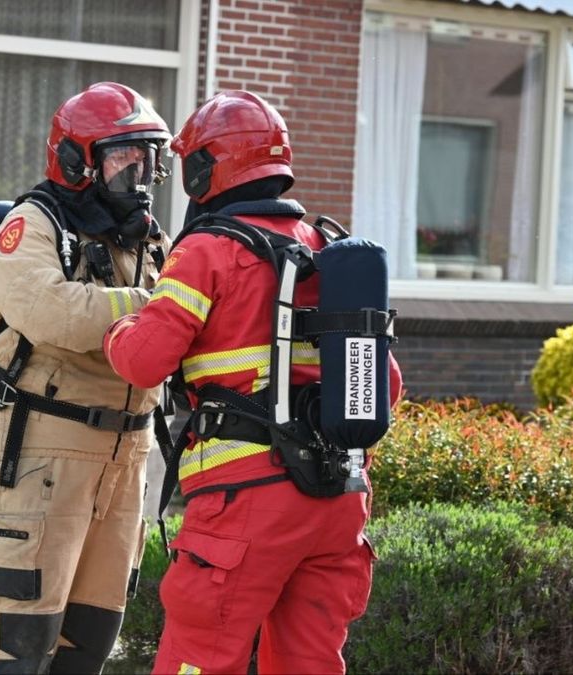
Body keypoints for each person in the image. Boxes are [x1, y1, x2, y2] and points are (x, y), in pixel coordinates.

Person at [102, 90, 404, 674]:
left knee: (200, 657)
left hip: (244, 501)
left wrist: (118, 325)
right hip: (338, 499)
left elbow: (143, 361)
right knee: (310, 663)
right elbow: (384, 387)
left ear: (204, 169)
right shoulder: (328, 252)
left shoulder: (207, 250)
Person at [0, 81, 172, 674]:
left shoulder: (145, 239)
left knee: (91, 637)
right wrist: (153, 307)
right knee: (21, 640)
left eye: (149, 157)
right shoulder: (32, 224)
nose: (141, 172)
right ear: (76, 160)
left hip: (126, 454)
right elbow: (51, 311)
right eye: (125, 155)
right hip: (42, 451)